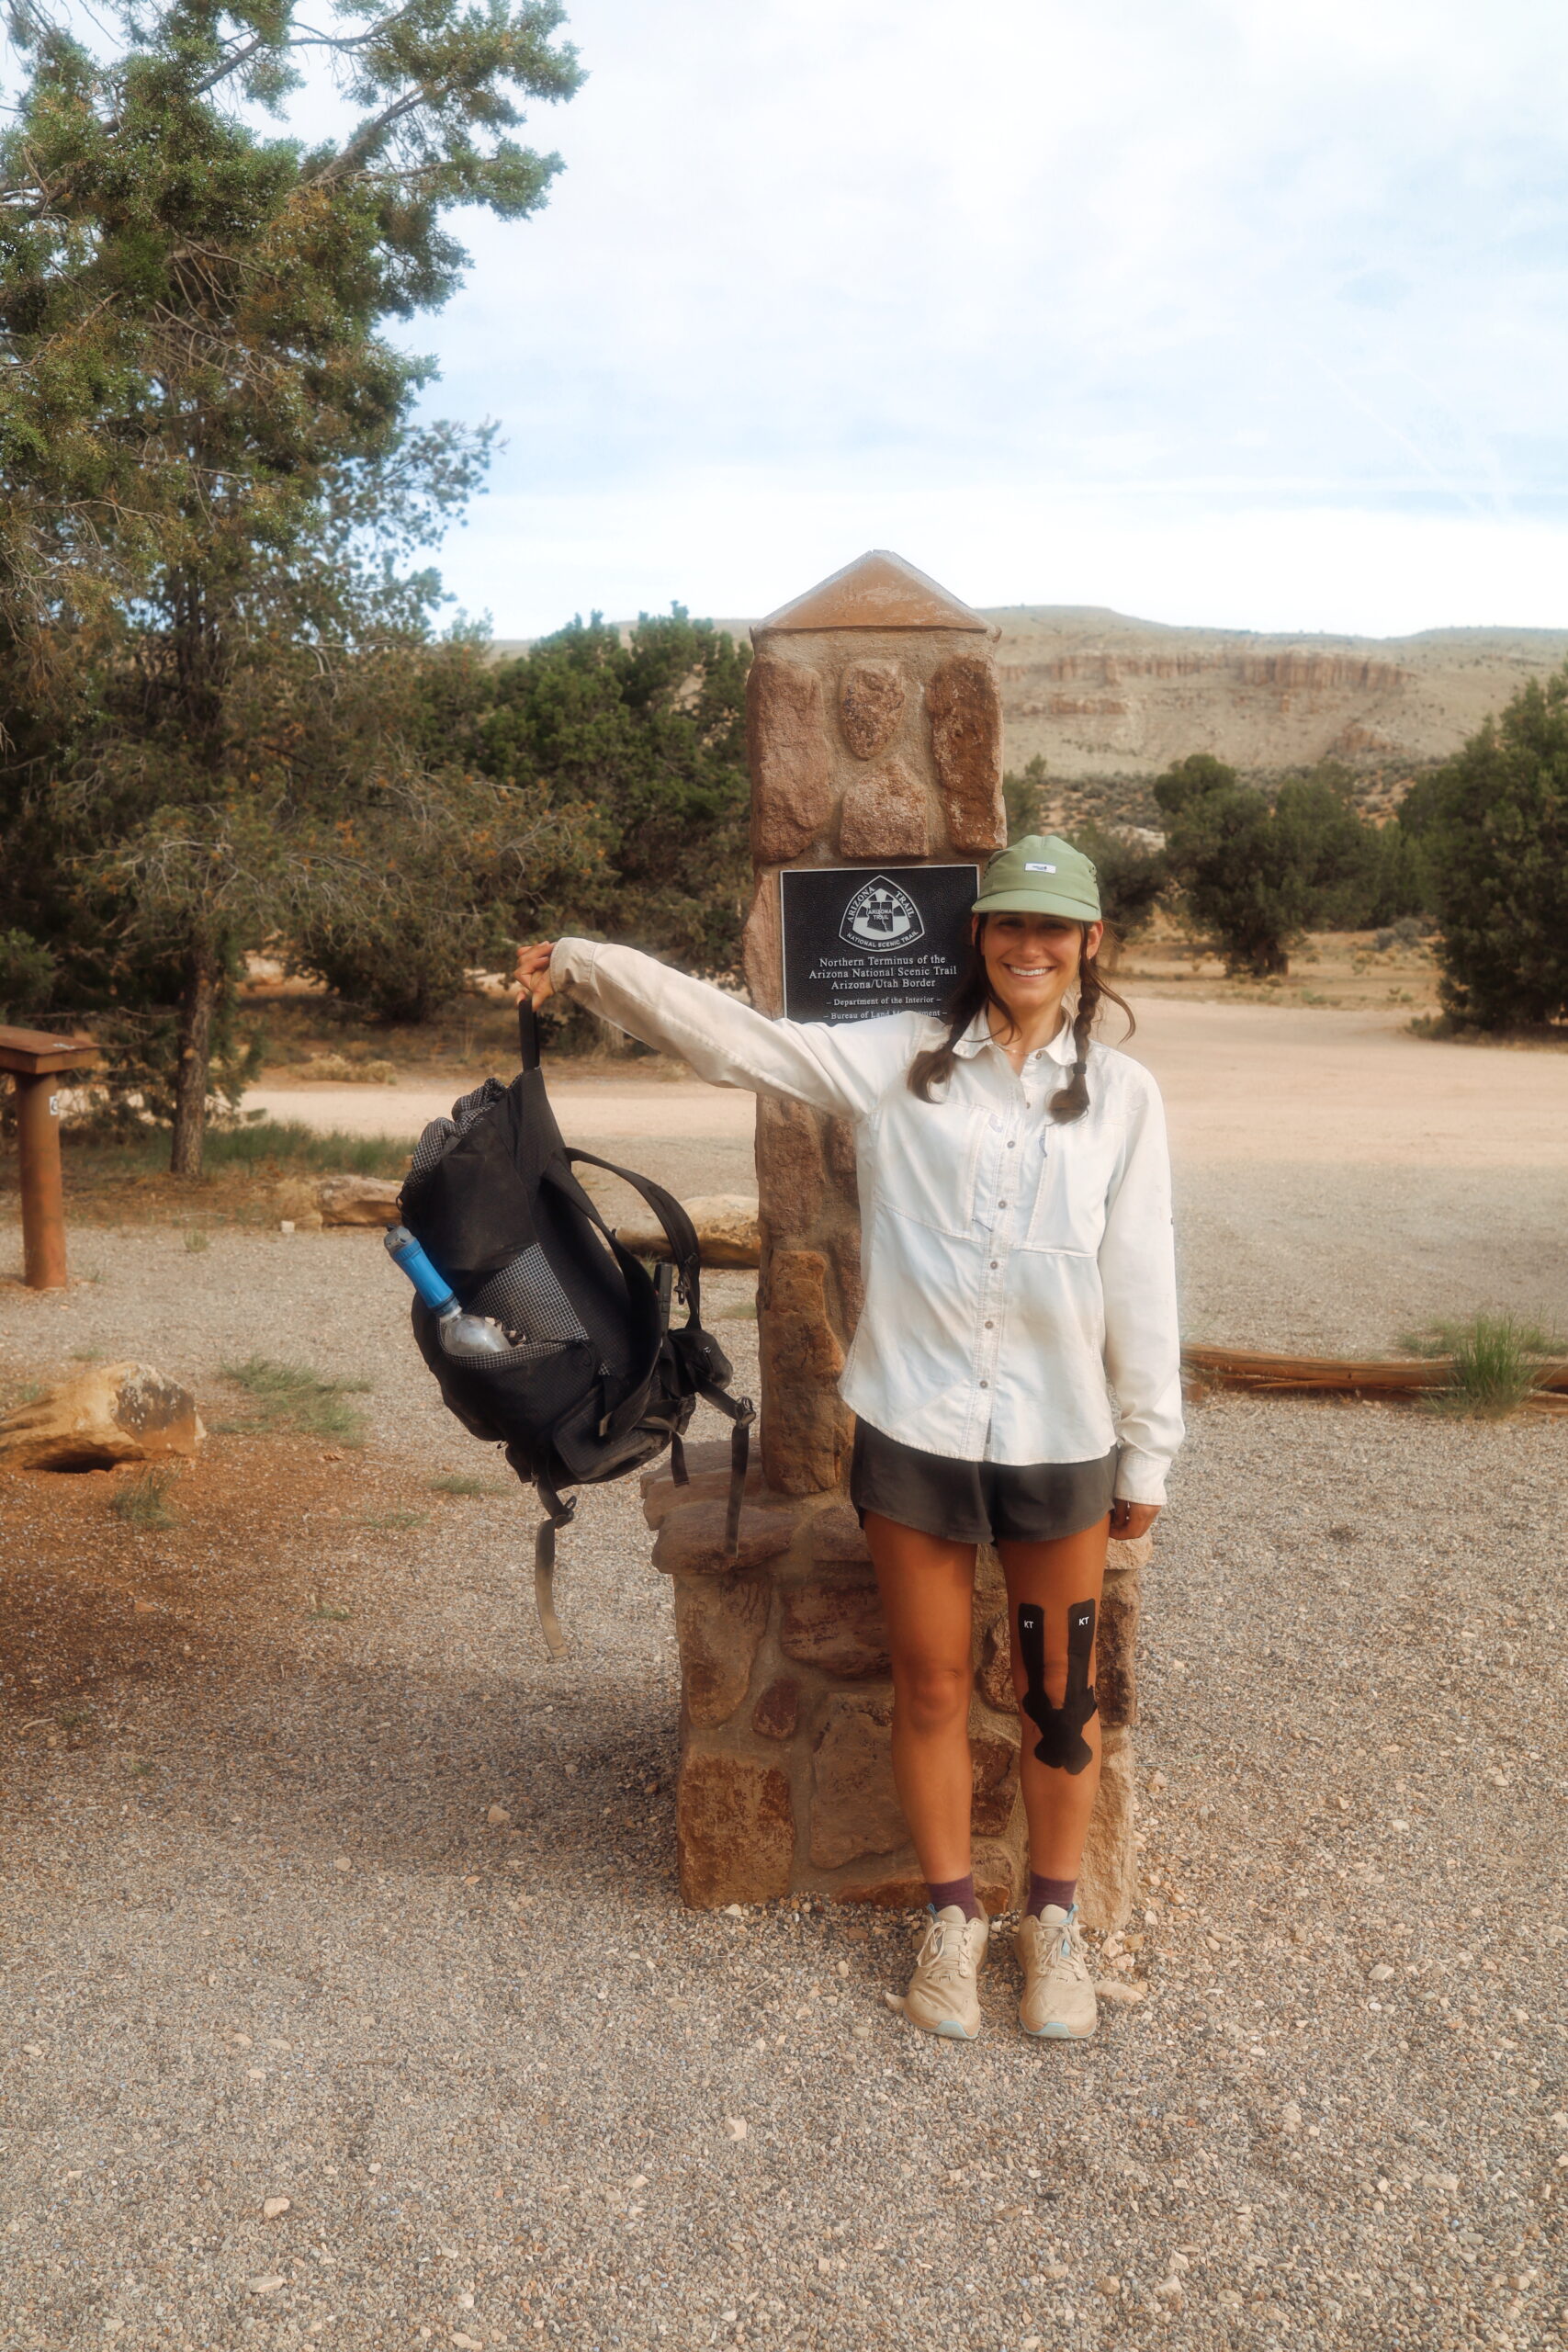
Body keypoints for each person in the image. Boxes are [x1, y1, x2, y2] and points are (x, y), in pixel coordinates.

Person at [516, 833, 1182, 2044]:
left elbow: (1143, 1277)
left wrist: (1149, 1450)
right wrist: (585, 963)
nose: (1029, 947)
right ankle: (947, 1922)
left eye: (1055, 928)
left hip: (1060, 1439)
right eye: (1009, 925)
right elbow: (736, 1041)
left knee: (1060, 1696)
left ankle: (1055, 1925)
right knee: (928, 1685)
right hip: (919, 1427)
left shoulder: (1123, 1099)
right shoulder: (901, 1063)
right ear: (979, 938)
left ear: (1091, 945)